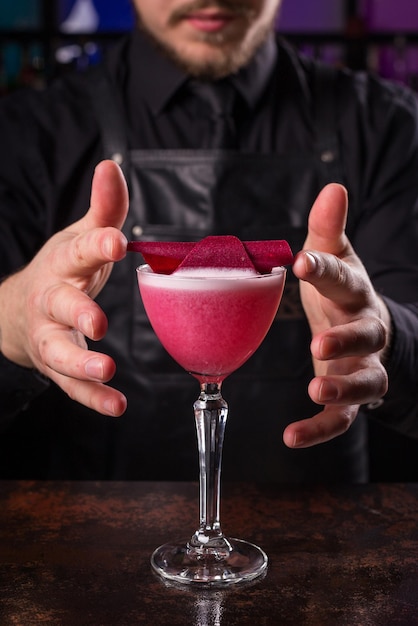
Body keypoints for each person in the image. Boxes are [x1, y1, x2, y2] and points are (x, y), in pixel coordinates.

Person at [0, 0, 417, 482]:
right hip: (97, 540)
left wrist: (382, 334)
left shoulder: (388, 125)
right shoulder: (30, 133)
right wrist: (13, 319)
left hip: (325, 543)